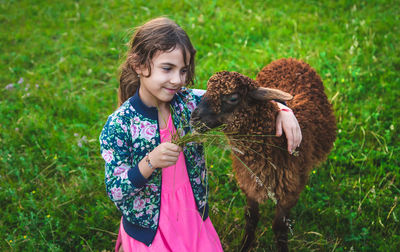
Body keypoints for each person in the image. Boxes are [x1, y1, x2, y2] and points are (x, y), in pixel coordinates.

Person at [99, 17, 302, 252]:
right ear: (139, 65)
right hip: (151, 227)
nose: (177, 80)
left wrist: (282, 109)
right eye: (167, 68)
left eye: (183, 70)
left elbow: (241, 99)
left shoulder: (187, 102)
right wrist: (149, 162)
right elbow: (115, 190)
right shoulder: (119, 125)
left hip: (192, 215)